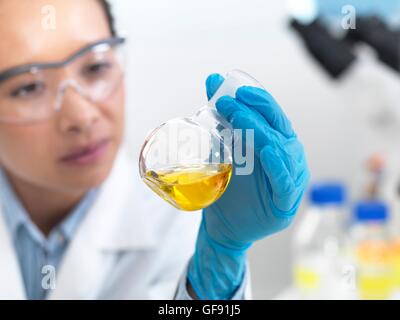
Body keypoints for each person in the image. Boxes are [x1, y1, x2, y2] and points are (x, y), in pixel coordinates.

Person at [0, 0, 310, 300]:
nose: (81, 116)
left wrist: (217, 269)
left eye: (95, 67)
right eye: (28, 87)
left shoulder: (184, 223)